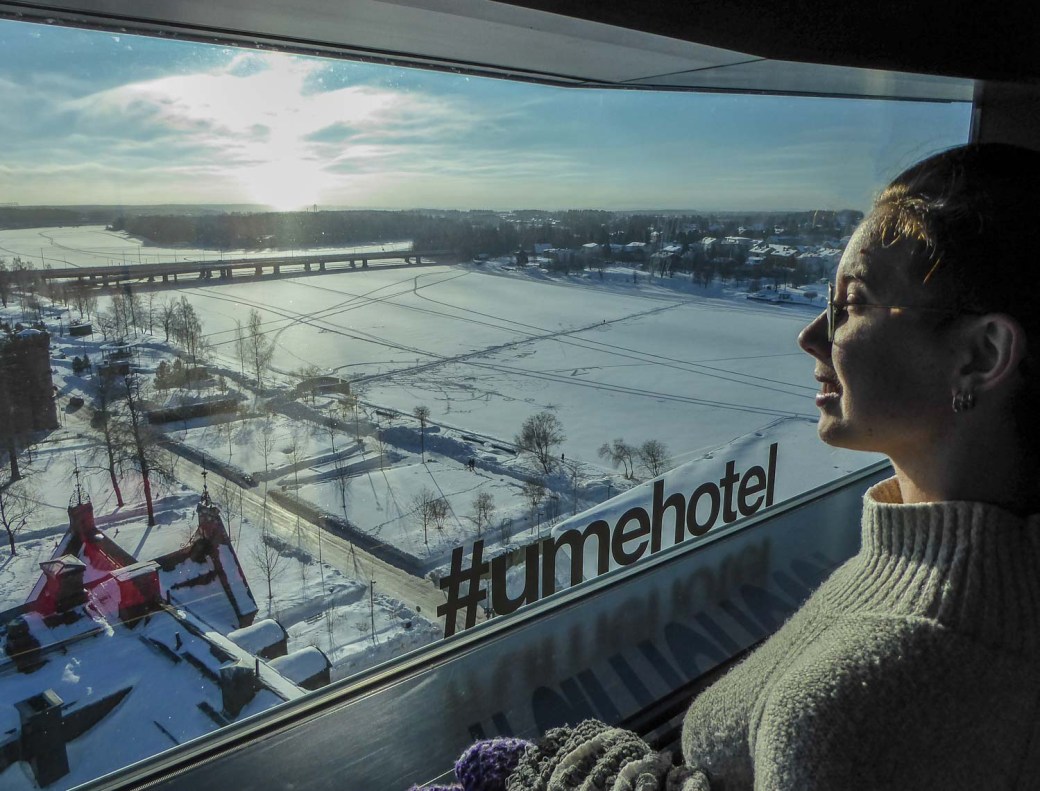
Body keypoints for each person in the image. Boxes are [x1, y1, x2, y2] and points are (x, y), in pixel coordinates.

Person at [413, 143, 1040, 791]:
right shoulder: (964, 566)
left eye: (852, 304)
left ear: (981, 354)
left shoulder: (866, 708)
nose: (810, 336)